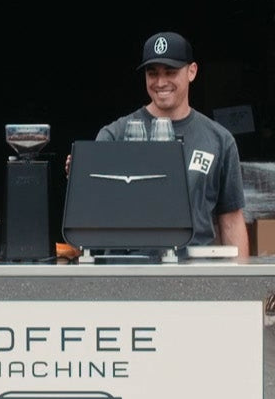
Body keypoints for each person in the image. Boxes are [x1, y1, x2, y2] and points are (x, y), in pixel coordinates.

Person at [91, 30, 249, 254]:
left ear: (192, 71)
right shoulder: (115, 134)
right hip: (128, 271)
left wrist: (240, 284)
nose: (160, 82)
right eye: (152, 73)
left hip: (195, 272)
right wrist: (82, 174)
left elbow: (231, 219)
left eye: (170, 71)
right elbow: (93, 208)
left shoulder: (219, 140)